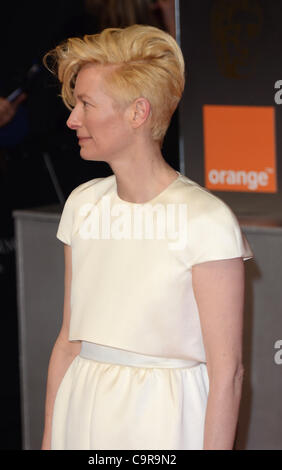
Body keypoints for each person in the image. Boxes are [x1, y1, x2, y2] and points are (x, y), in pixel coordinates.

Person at [41, 24, 254, 450]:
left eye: (85, 103)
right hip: (81, 405)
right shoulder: (83, 205)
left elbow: (226, 371)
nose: (72, 118)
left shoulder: (205, 219)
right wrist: (49, 440)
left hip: (165, 417)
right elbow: (69, 341)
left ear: (138, 113)